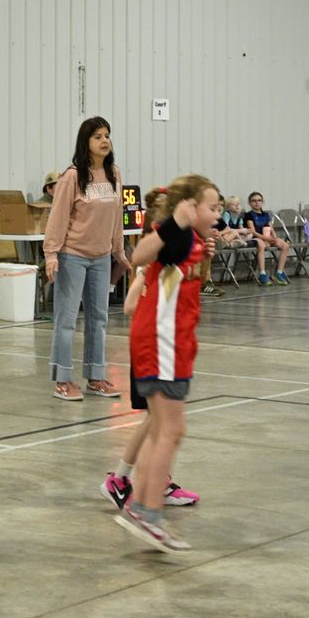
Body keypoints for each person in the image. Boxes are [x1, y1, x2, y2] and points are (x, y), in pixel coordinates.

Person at [115, 174, 221, 554]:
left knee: (162, 429)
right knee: (171, 431)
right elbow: (140, 255)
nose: (218, 213)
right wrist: (175, 223)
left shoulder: (191, 241)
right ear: (189, 207)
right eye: (212, 207)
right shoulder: (176, 234)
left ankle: (140, 505)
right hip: (162, 343)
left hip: (172, 343)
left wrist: (201, 253)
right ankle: (149, 512)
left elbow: (176, 276)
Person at [101, 187, 202, 511]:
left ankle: (151, 480)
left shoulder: (174, 262)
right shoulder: (151, 268)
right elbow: (130, 306)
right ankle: (124, 479)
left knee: (158, 424)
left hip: (162, 349)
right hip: (150, 351)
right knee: (157, 424)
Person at [43, 116, 130, 401]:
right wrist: (51, 254)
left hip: (101, 258)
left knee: (99, 319)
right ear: (86, 142)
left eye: (107, 135)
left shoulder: (114, 174)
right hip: (73, 256)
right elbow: (58, 217)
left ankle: (96, 377)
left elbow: (117, 215)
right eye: (97, 136)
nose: (105, 141)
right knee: (67, 320)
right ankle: (62, 380)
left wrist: (118, 250)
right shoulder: (72, 176)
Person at [242, 191, 290, 286]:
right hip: (255, 238)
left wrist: (274, 236)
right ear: (250, 203)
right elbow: (252, 231)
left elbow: (271, 228)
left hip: (267, 237)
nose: (257, 202)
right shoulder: (249, 215)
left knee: (285, 245)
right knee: (263, 245)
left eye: (259, 200)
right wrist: (266, 238)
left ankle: (279, 272)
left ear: (262, 202)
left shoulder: (266, 215)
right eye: (254, 201)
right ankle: (262, 274)